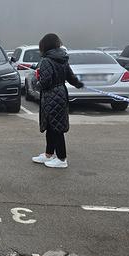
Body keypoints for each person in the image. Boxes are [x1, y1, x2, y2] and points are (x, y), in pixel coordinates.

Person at [32, 33, 83, 169]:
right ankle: (49, 154)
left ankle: (61, 158)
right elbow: (71, 77)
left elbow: (45, 82)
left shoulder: (46, 61)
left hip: (51, 96)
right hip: (60, 94)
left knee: (56, 129)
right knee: (51, 126)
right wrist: (79, 84)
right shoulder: (62, 59)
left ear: (44, 46)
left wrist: (35, 80)